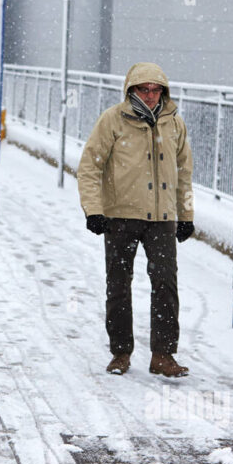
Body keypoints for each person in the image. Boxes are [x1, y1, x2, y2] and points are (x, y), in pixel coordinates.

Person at [77, 62, 195, 378]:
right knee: (118, 284)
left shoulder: (174, 124)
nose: (151, 95)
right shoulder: (113, 121)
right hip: (120, 216)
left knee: (166, 285)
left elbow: (184, 172)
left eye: (156, 90)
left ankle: (163, 355)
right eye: (144, 89)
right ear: (131, 90)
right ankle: (120, 352)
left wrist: (185, 215)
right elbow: (90, 167)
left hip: (162, 218)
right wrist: (94, 210)